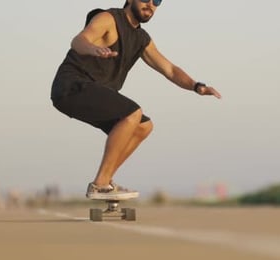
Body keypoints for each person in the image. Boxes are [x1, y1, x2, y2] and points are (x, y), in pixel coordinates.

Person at [50, 0, 222, 200]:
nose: (150, 4)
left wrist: (196, 86)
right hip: (72, 85)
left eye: (156, 1)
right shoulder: (109, 18)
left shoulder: (141, 39)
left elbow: (170, 69)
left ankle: (105, 183)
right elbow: (79, 40)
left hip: (91, 92)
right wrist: (92, 49)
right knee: (132, 114)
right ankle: (101, 183)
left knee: (143, 126)